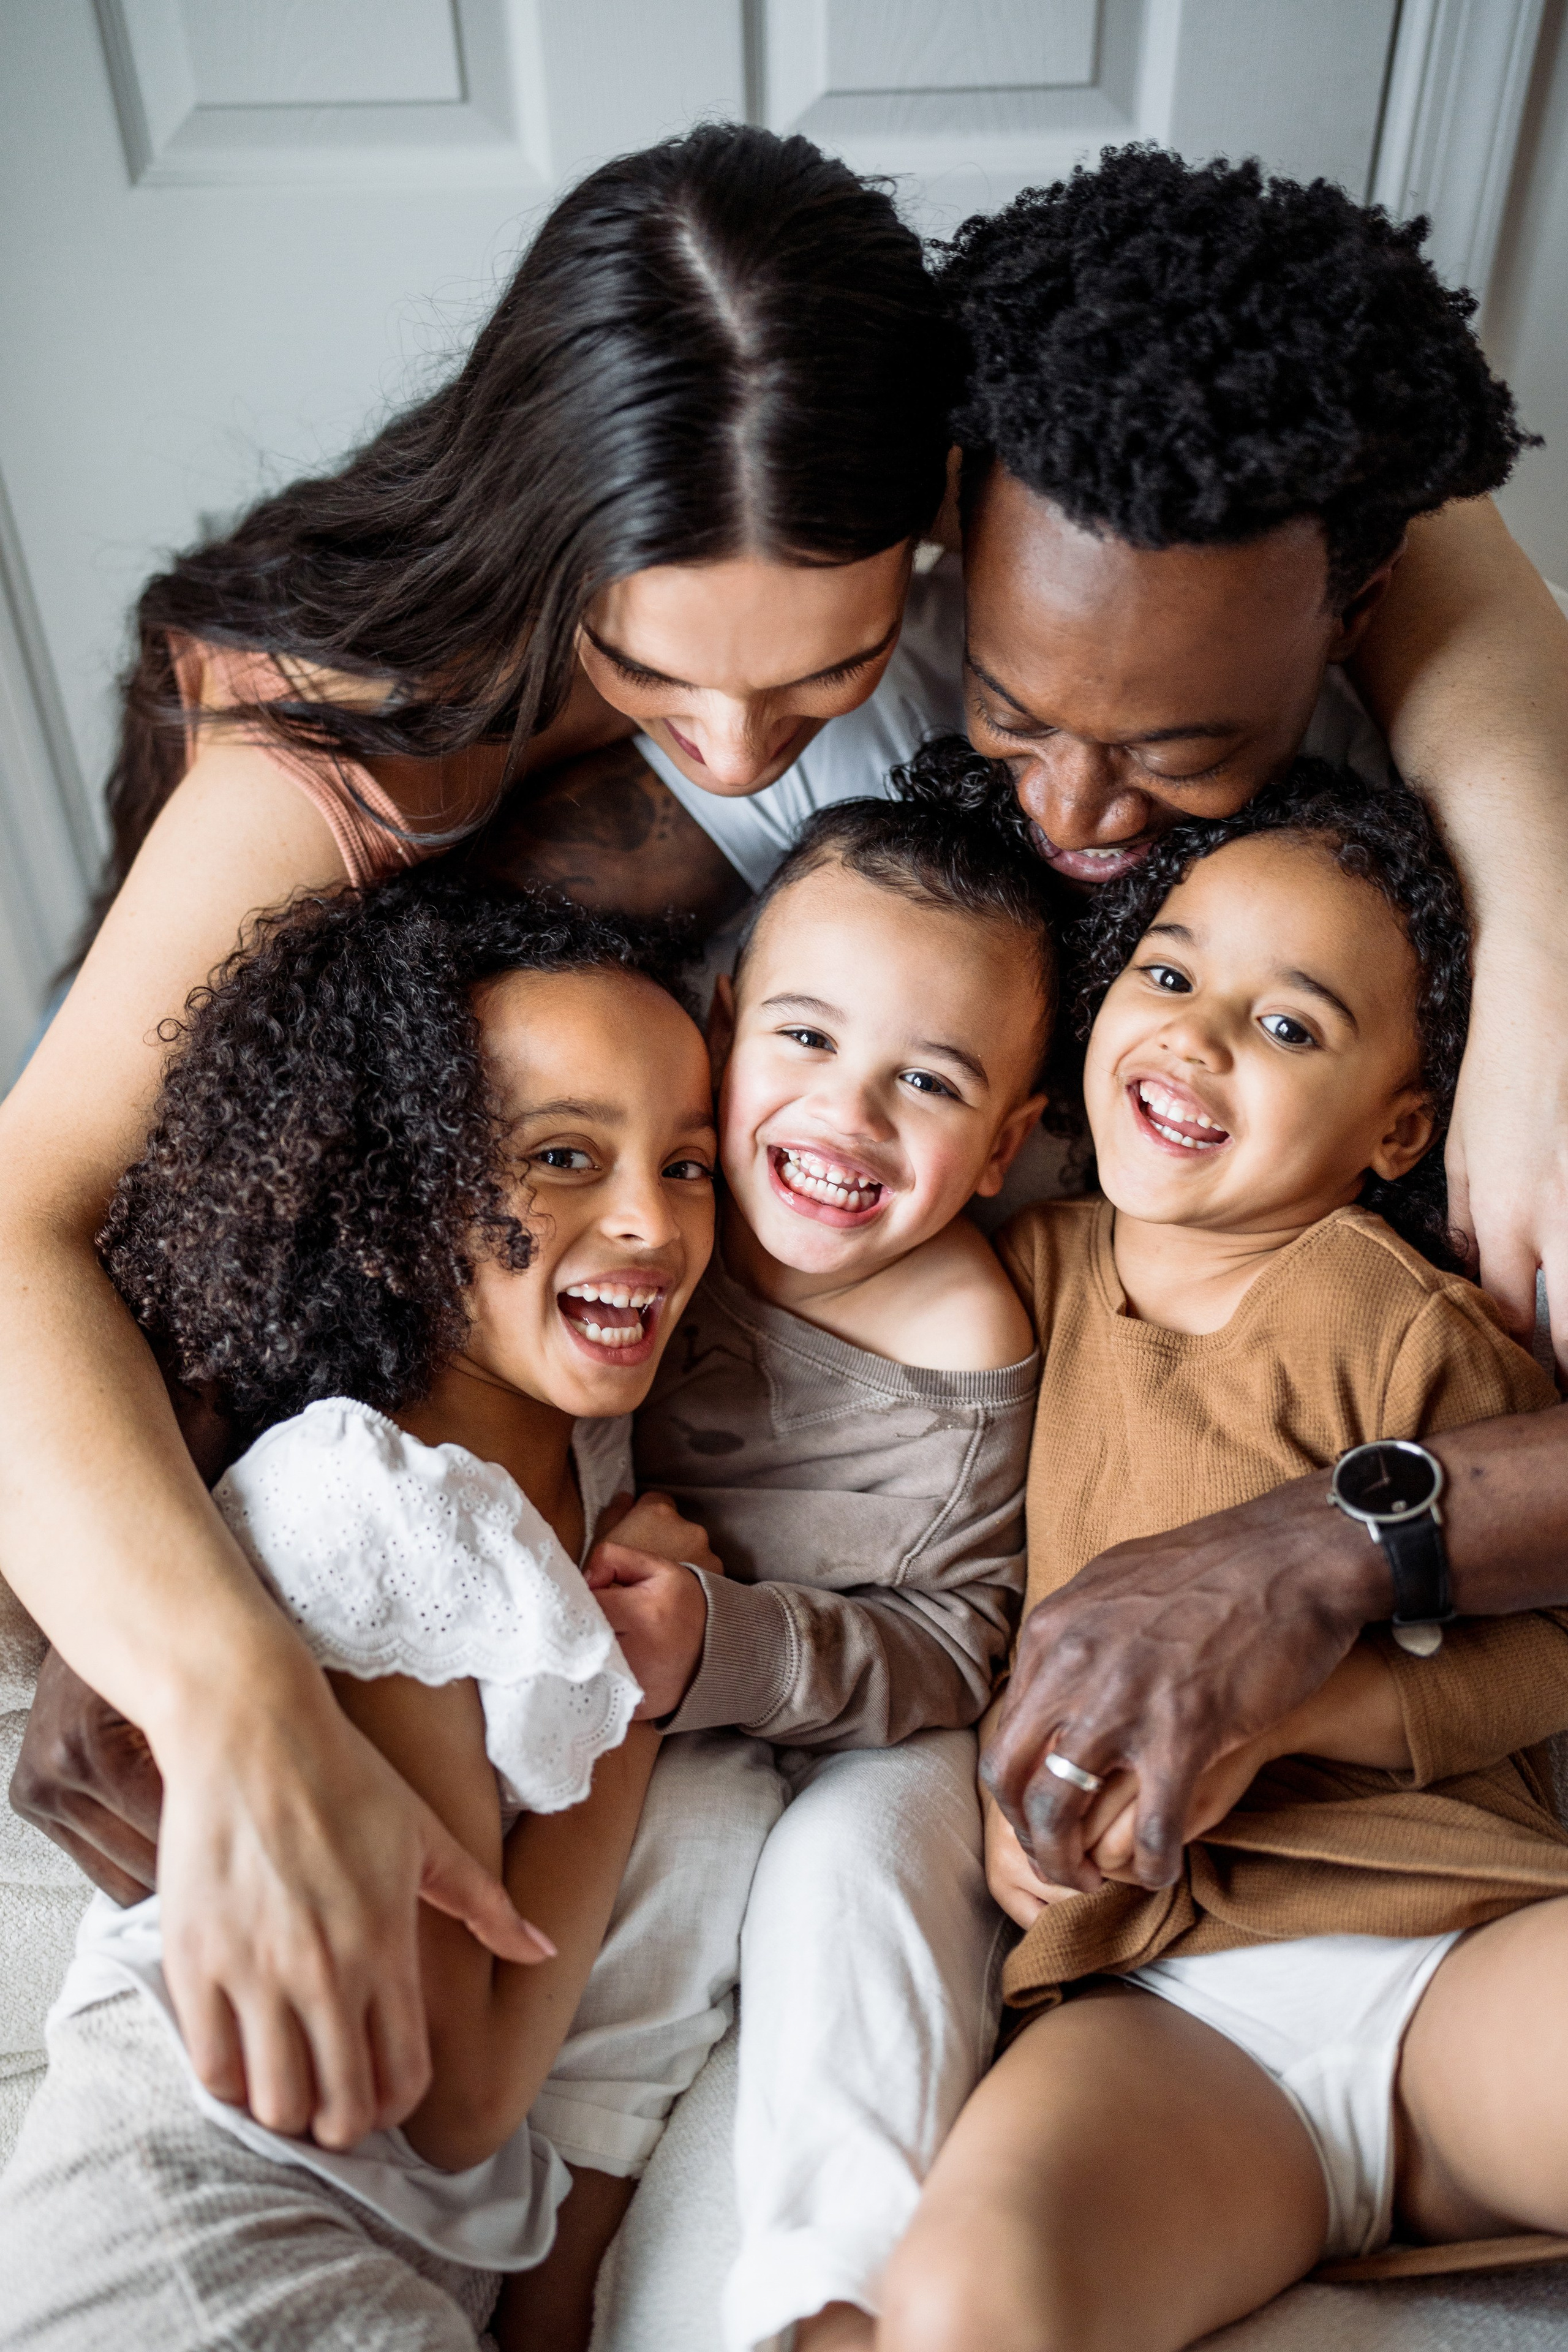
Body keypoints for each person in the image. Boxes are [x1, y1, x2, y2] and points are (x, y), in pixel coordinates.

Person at [6, 129, 1568, 2149]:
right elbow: (119, 1190)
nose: (740, 758)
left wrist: (1533, 922)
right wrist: (201, 1650)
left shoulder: (1208, 653)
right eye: (652, 677)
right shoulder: (485, 737)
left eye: (819, 678)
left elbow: (1439, 545)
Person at [0, 867, 769, 2346]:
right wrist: (641, 1690)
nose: (648, 1224)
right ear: (397, 1192)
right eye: (560, 1156)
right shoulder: (376, 1509)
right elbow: (463, 2096)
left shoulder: (581, 1459)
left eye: (685, 1163)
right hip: (200, 2239)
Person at [873, 763, 1568, 2352]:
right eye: (1172, 973)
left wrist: (1281, 1718)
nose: (1194, 1034)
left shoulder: (1400, 1327)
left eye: (1291, 1024)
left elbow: (1547, 1651)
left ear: (1400, 1119)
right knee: (966, 2298)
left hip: (1449, 1939)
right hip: (1164, 2009)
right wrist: (1024, 1815)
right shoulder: (1003, 1290)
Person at [602, 782, 1048, 2352]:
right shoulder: (650, 1206)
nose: (844, 1118)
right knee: (637, 1881)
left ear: (1005, 1144)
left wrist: (731, 1647)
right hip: (659, 1714)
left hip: (871, 1721)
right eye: (800, 1040)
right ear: (719, 1025)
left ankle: (833, 2299)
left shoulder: (966, 1343)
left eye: (924, 1083)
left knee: (853, 1877)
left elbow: (962, 1640)